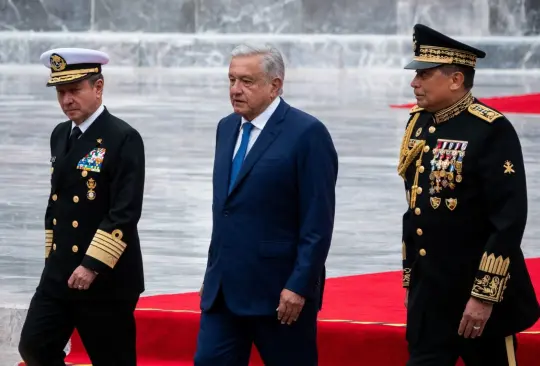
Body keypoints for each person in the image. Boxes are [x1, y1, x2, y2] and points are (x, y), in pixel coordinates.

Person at [398, 24, 540, 366]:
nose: (413, 83)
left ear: (455, 80)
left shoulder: (490, 130)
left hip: (476, 296)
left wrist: (483, 296)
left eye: (424, 74)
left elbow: (508, 220)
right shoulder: (418, 122)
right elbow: (414, 209)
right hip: (430, 293)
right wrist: (410, 278)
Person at [194, 43, 338, 365]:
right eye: (231, 80)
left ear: (275, 85)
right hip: (224, 291)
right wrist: (213, 271)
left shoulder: (307, 134)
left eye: (247, 81)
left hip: (279, 294)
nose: (235, 90)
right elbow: (228, 210)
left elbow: (318, 221)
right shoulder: (226, 127)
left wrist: (299, 286)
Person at [18, 48, 146, 366]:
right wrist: (52, 258)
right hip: (60, 272)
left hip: (104, 276)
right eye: (61, 93)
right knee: (34, 347)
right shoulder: (60, 134)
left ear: (98, 87)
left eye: (75, 90)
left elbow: (125, 211)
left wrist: (91, 265)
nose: (67, 100)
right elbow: (56, 203)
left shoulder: (123, 138)